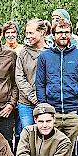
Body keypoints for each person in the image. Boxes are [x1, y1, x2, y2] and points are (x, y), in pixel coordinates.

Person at [35, 19, 78, 143]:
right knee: (52, 149)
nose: (64, 35)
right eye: (60, 32)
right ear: (53, 34)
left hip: (74, 113)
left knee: (74, 152)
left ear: (71, 34)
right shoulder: (45, 56)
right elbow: (40, 84)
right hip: (52, 114)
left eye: (67, 32)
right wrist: (45, 109)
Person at [15, 18, 49, 147]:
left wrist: (42, 97)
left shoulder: (50, 52)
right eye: (26, 33)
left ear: (41, 32)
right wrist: (32, 96)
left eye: (31, 33)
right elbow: (19, 76)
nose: (28, 36)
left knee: (45, 136)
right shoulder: (23, 52)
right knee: (28, 136)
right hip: (26, 103)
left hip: (46, 101)